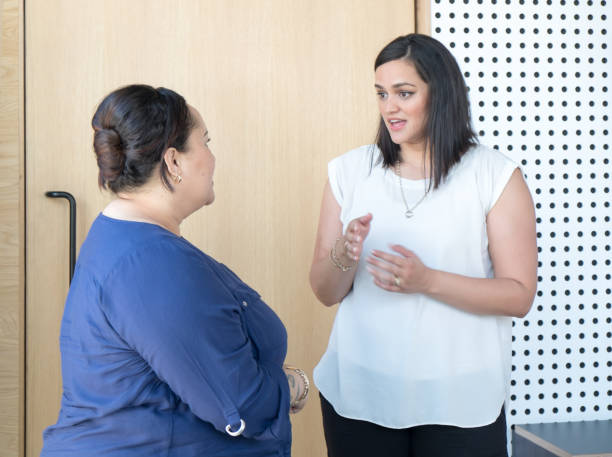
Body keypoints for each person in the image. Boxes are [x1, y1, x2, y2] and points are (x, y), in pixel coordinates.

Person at [40, 84, 308, 457]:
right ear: (173, 161)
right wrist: (294, 385)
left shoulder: (124, 237)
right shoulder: (150, 264)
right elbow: (240, 406)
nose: (212, 158)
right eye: (206, 142)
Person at [309, 34, 537, 457]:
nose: (389, 107)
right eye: (381, 94)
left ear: (442, 94)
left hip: (461, 402)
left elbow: (518, 295)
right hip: (359, 395)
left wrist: (428, 280)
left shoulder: (495, 175)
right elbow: (324, 292)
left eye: (404, 93)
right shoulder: (350, 171)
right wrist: (344, 254)